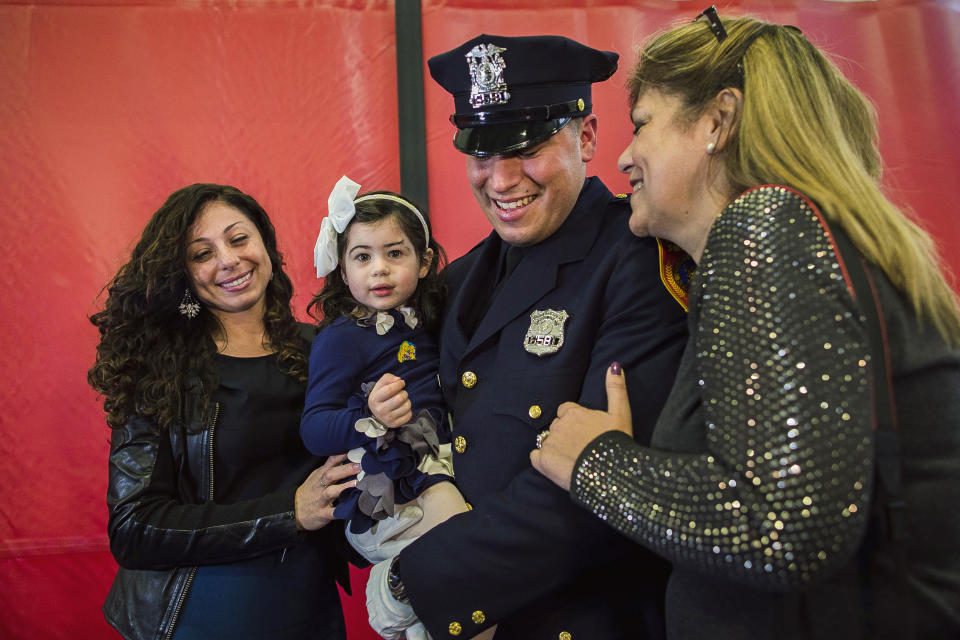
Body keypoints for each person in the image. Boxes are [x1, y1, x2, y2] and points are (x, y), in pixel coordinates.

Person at [531, 7, 960, 639]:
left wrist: (594, 462)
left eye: (643, 124)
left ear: (717, 121)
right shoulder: (809, 237)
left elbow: (780, 524)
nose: (624, 156)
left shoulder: (764, 226)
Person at [366, 35, 691, 639]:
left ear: (586, 137)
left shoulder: (638, 261)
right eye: (482, 152)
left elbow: (599, 485)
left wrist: (422, 575)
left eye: (529, 148)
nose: (502, 179)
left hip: (581, 619)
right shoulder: (461, 278)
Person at [88, 183, 360, 640]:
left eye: (238, 239)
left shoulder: (323, 349)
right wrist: (289, 511)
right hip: (201, 614)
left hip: (308, 609)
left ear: (265, 245)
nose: (229, 260)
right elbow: (134, 528)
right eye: (202, 253)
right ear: (184, 274)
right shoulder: (159, 367)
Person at [300, 177, 489, 639]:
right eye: (362, 257)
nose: (379, 270)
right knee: (470, 557)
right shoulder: (340, 338)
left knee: (454, 606)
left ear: (424, 262)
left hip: (440, 463)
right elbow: (314, 428)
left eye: (395, 253)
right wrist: (371, 418)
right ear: (343, 271)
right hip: (389, 479)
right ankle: (389, 589)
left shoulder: (427, 321)